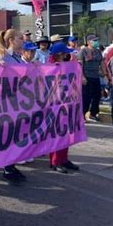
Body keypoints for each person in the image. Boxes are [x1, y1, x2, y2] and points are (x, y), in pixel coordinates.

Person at [0, 29, 27, 182]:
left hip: (17, 102)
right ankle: (7, 168)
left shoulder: (19, 59)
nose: (23, 40)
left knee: (15, 136)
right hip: (6, 103)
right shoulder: (3, 58)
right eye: (20, 38)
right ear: (12, 40)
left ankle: (11, 165)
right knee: (7, 136)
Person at [48, 42, 80, 173]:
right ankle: (55, 161)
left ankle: (64, 158)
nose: (68, 54)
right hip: (55, 104)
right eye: (65, 52)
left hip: (67, 102)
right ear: (60, 54)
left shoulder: (65, 65)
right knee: (57, 133)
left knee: (67, 132)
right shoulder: (51, 66)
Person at [79, 34, 105, 122]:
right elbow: (80, 65)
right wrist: (82, 77)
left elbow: (101, 63)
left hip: (96, 76)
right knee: (86, 97)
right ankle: (82, 114)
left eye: (97, 40)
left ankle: (93, 113)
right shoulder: (83, 51)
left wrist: (104, 73)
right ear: (89, 42)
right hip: (87, 77)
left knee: (97, 96)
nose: (96, 42)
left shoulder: (98, 52)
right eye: (94, 40)